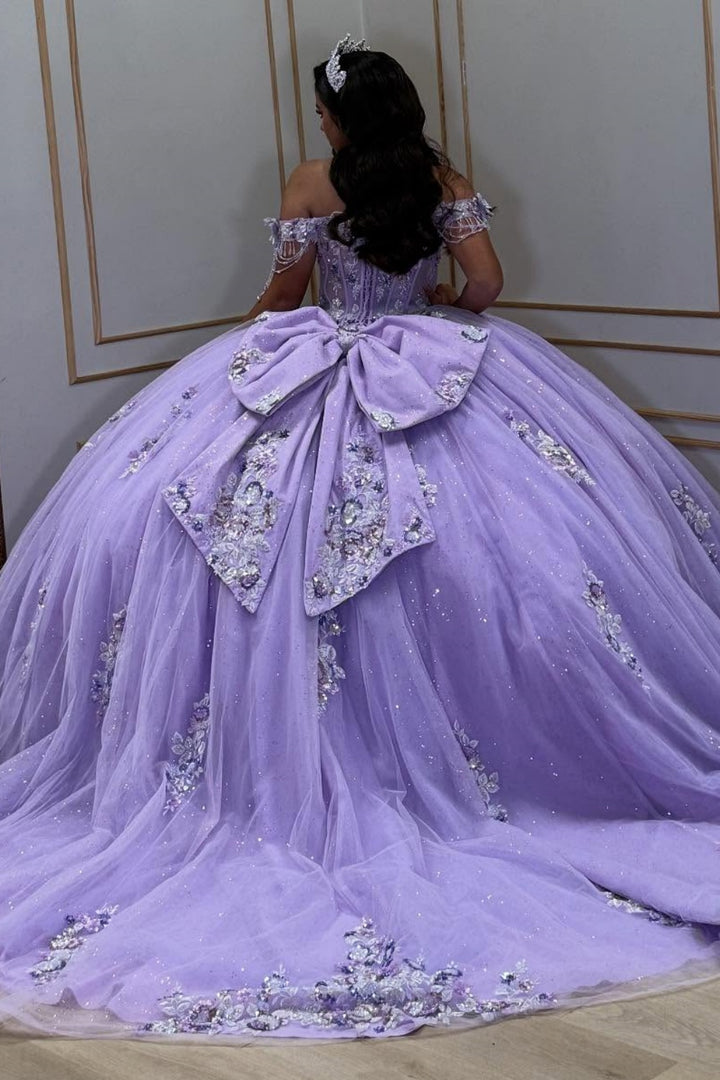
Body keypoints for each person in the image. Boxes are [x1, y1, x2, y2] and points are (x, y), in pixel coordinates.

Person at [0, 34, 719, 1042]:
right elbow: (488, 283)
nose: (321, 125)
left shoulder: (312, 181)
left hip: (318, 362)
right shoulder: (440, 180)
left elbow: (285, 297)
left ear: (340, 118)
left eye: (325, 111)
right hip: (426, 361)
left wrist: (245, 341)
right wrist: (438, 302)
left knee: (253, 538)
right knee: (502, 546)